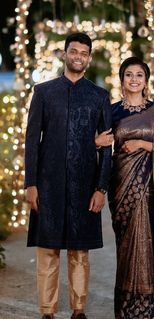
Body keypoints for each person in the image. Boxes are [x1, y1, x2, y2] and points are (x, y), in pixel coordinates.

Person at [25, 32, 112, 319]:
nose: (78, 56)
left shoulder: (99, 96)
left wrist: (101, 188)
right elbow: (31, 141)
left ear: (88, 57)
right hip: (47, 185)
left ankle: (78, 310)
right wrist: (31, 183)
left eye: (84, 53)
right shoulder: (44, 92)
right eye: (73, 51)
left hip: (84, 185)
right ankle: (47, 311)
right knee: (47, 251)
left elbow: (107, 146)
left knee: (79, 253)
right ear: (65, 54)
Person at [95, 57, 154, 319]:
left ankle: (150, 303)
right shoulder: (111, 112)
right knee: (127, 246)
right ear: (122, 80)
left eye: (139, 75)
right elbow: (101, 144)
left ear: (146, 81)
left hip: (153, 191)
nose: (134, 79)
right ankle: (127, 306)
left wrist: (143, 145)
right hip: (123, 189)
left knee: (151, 240)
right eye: (128, 75)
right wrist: (95, 141)